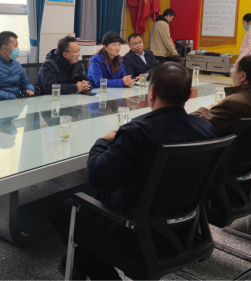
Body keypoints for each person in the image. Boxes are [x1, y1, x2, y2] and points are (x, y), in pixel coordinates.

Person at [49, 63, 217, 280]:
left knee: (61, 209)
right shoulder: (205, 128)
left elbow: (97, 176)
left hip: (132, 230)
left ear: (151, 93)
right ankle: (79, 263)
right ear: (190, 94)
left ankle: (92, 267)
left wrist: (101, 142)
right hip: (184, 229)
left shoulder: (137, 131)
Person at [192, 53, 251, 137]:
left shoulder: (232, 104)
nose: (232, 69)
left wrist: (205, 109)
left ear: (243, 76)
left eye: (234, 67)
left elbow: (192, 127)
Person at [0, 31, 35, 101]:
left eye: (17, 45)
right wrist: (12, 97)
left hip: (16, 104)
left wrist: (29, 89)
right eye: (15, 45)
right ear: (4, 48)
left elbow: (26, 83)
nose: (17, 48)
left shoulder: (17, 64)